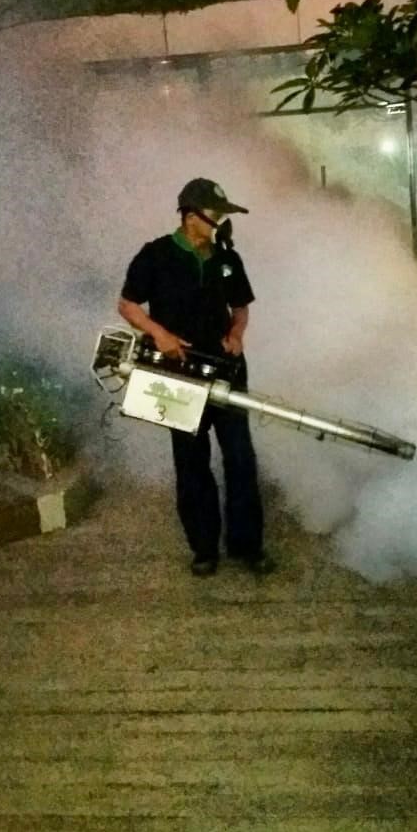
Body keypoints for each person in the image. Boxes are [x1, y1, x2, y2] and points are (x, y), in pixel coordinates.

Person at [118, 178, 274, 577]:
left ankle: (247, 545)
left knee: (240, 457)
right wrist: (160, 334)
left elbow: (240, 308)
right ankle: (204, 548)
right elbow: (128, 305)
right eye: (216, 214)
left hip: (227, 370)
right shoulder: (155, 255)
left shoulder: (227, 259)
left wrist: (237, 334)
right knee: (191, 462)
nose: (221, 221)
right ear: (191, 216)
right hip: (176, 374)